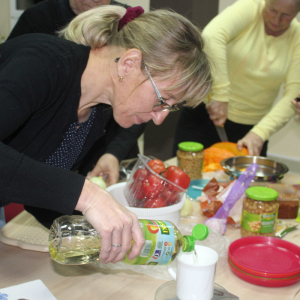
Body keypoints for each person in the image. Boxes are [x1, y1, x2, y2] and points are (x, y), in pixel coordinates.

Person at [0, 6, 212, 263]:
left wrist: (109, 231)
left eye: (170, 107)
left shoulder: (96, 113)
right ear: (129, 64)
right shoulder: (41, 63)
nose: (159, 118)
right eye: (162, 100)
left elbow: (38, 186)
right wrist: (87, 196)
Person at [7, 0, 146, 186]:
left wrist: (113, 153)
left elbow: (47, 180)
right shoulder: (40, 58)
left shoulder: (91, 114)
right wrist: (81, 197)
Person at [173, 0, 300, 157]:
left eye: (286, 15)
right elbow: (212, 37)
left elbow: (294, 96)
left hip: (252, 131)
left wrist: (260, 133)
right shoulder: (250, 7)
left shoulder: (297, 38)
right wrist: (220, 95)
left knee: (245, 182)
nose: (277, 20)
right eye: (272, 10)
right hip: (205, 116)